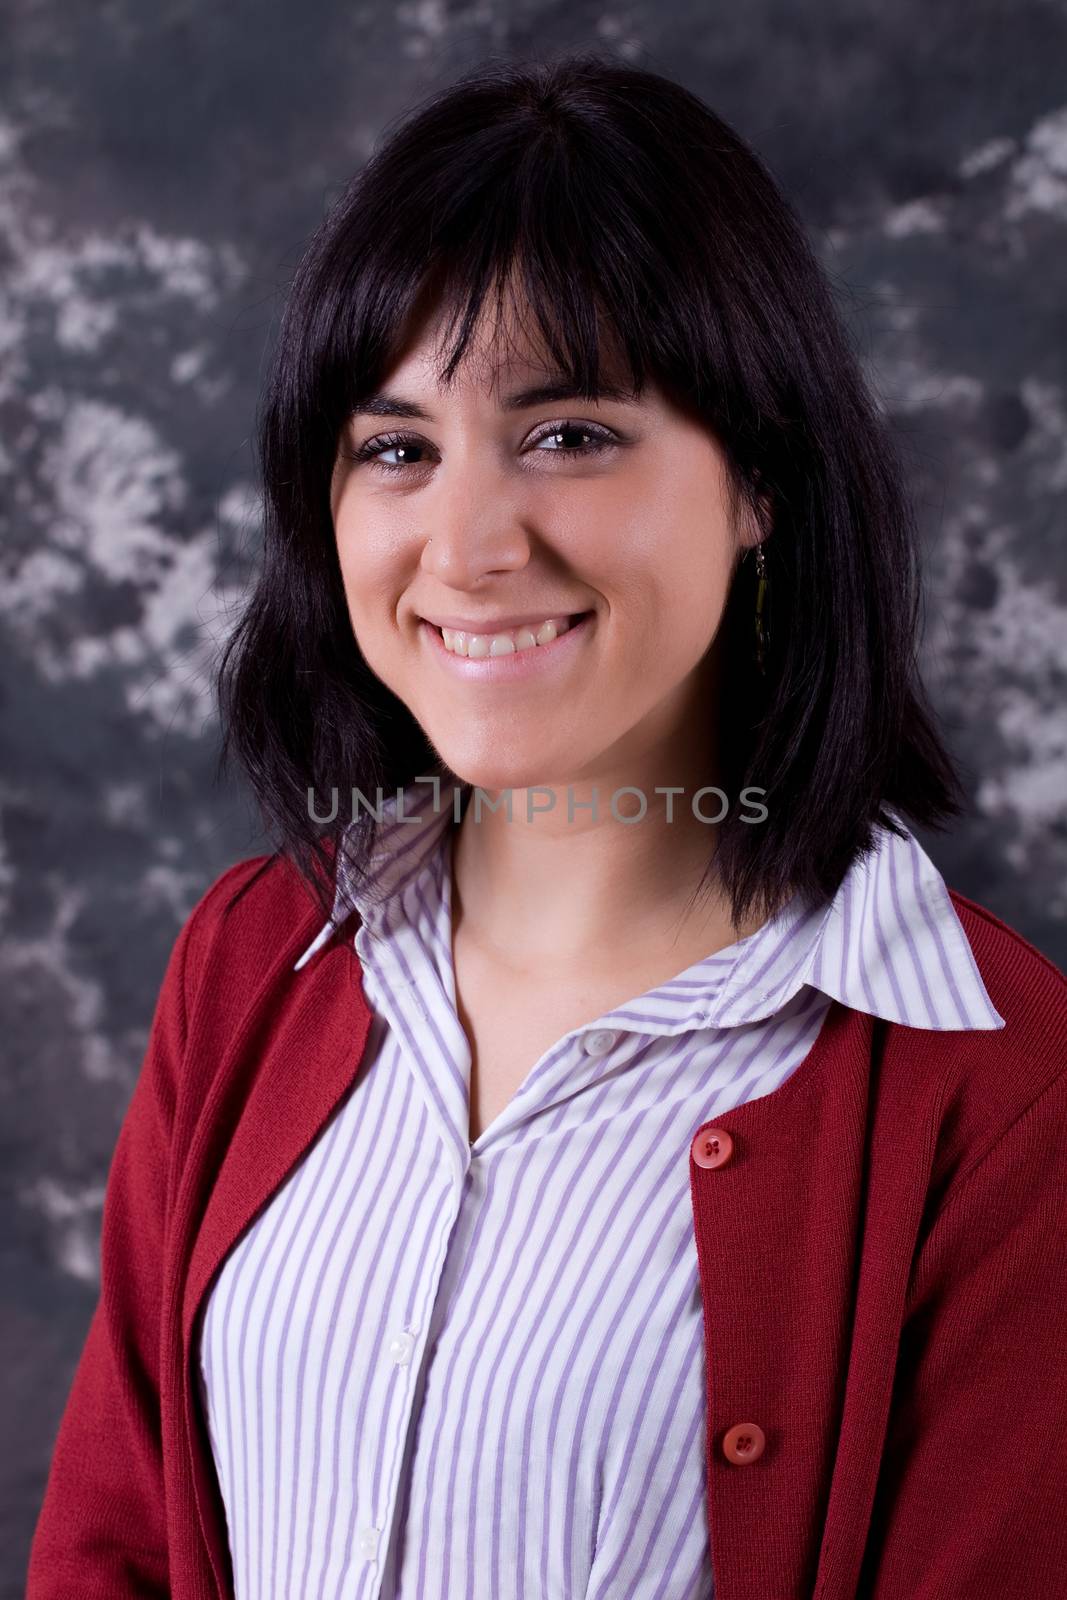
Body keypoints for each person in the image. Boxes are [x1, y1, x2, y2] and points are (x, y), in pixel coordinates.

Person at [28, 51, 1067, 1600]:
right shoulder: (253, 963)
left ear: (759, 480)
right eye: (397, 449)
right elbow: (104, 1548)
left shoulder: (994, 1091)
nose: (469, 545)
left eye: (569, 432)